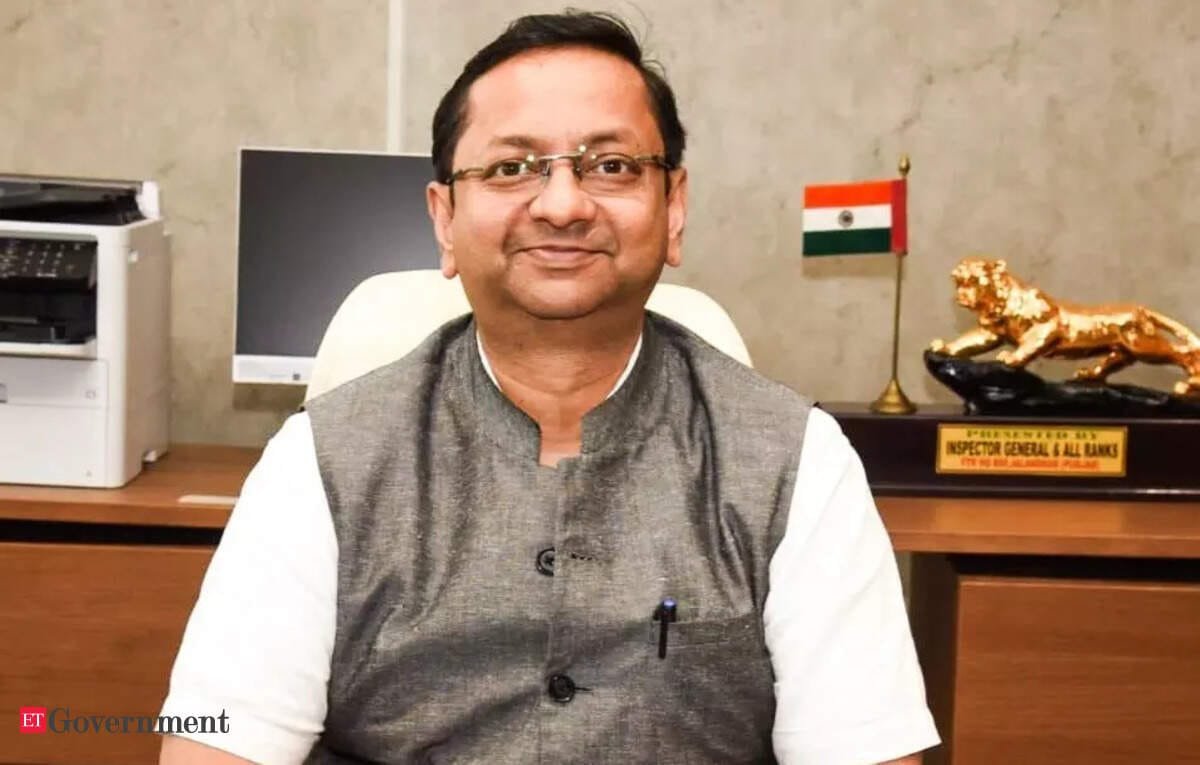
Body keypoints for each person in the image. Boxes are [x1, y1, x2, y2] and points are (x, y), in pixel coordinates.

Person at [160, 10, 940, 765]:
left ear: (673, 209)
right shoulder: (321, 462)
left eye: (612, 166)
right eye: (511, 168)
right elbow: (217, 743)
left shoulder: (796, 464)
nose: (563, 204)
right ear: (444, 218)